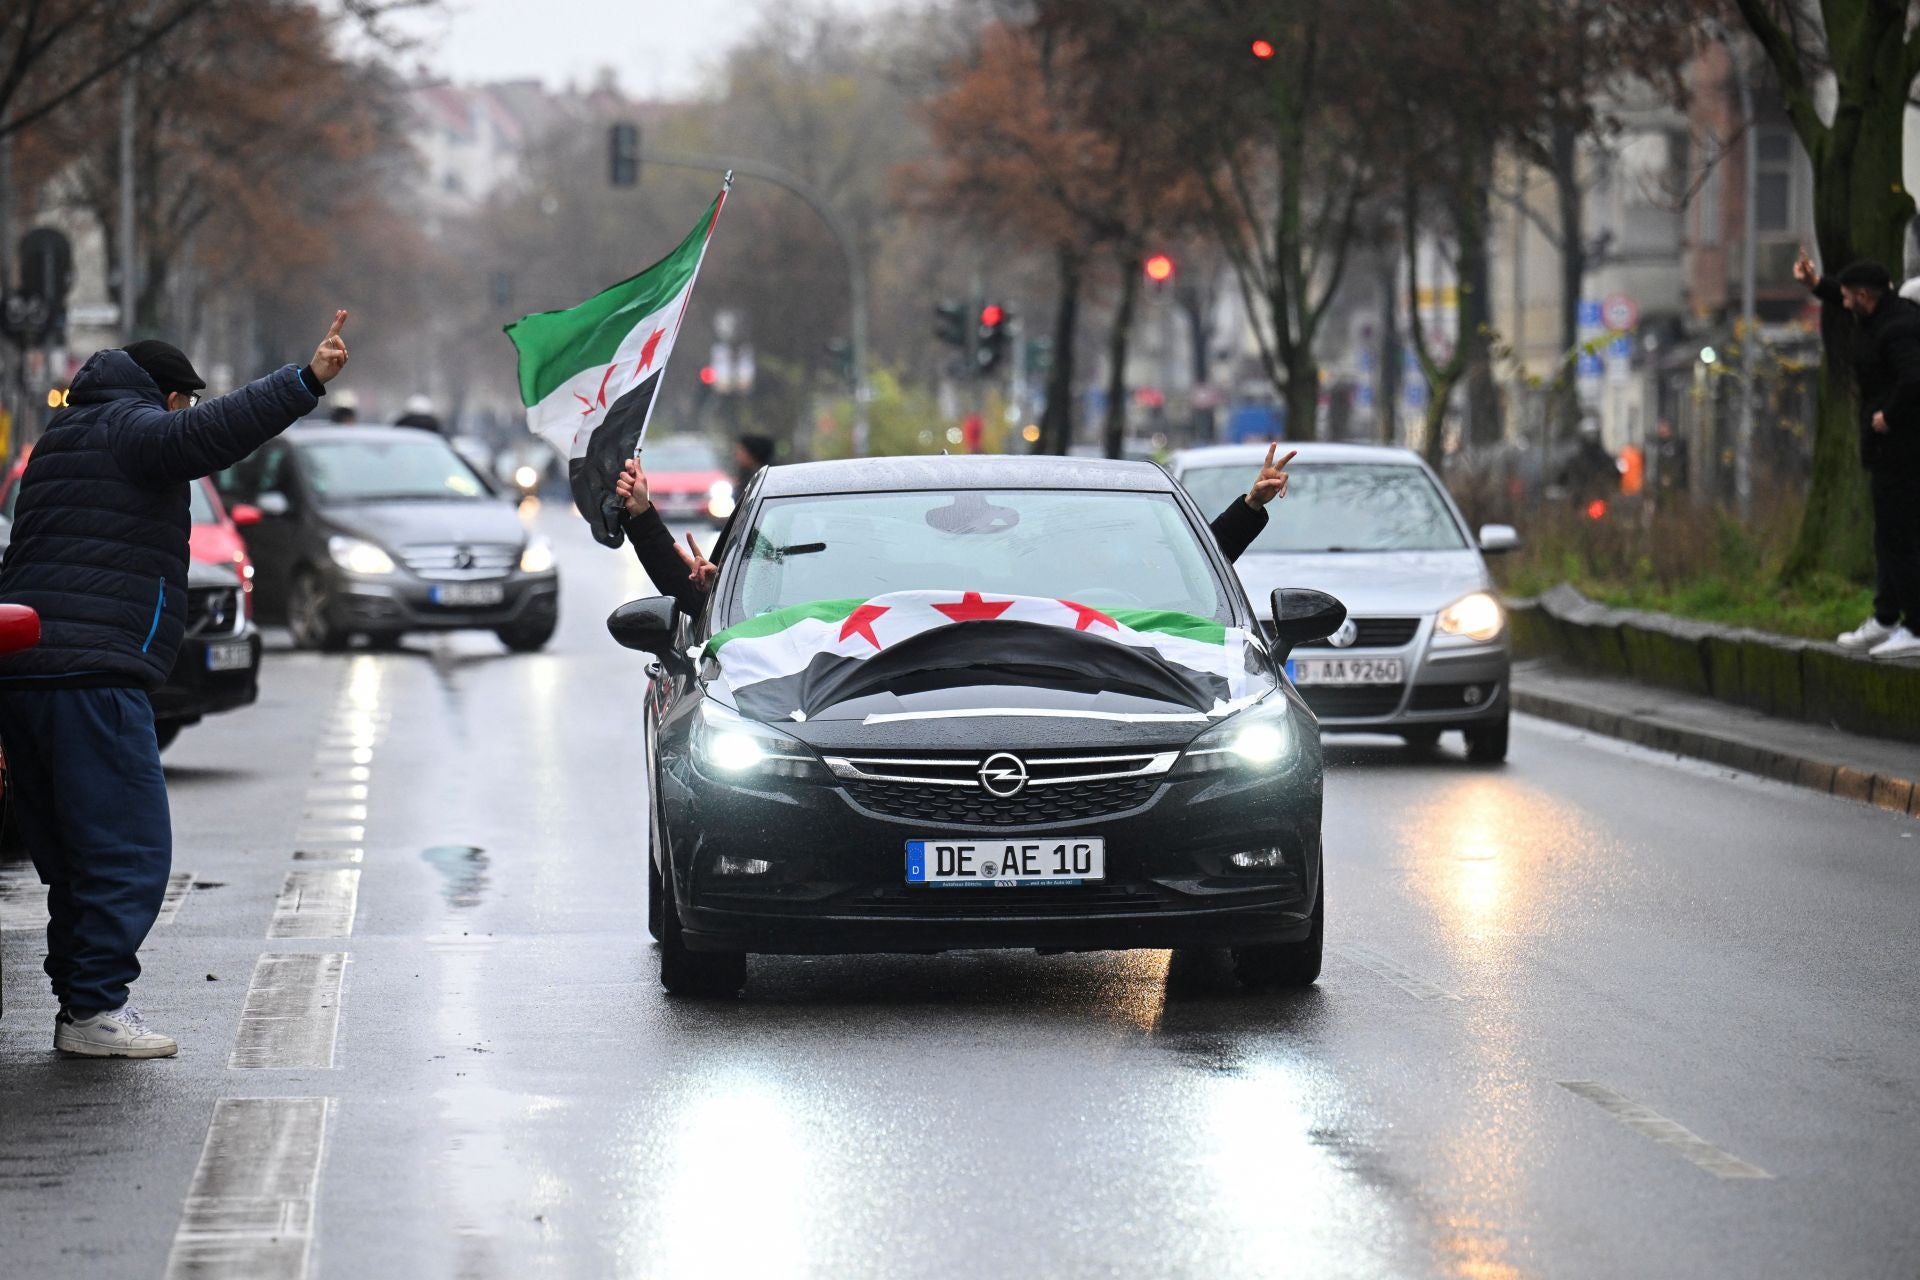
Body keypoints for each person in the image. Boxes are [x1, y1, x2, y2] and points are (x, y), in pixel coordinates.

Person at [0, 313, 350, 1058]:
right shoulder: (131, 427)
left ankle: (80, 1008)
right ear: (166, 398)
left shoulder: (60, 436)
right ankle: (93, 1010)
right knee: (128, 851)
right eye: (183, 404)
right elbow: (209, 436)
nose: (186, 415)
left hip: (28, 670)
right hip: (92, 676)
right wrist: (304, 381)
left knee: (71, 856)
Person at [611, 444, 1294, 615]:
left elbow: (1185, 582)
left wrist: (1247, 509)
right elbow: (695, 609)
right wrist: (644, 520)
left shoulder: (1102, 607)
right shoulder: (781, 628)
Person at [1794, 250, 1920, 659]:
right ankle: (1886, 617)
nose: (1843, 303)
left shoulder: (1897, 329)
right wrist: (1816, 284)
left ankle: (1916, 626)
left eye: (1849, 298)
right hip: (1887, 450)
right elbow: (1839, 294)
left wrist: (1889, 414)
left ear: (1865, 297)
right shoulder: (1882, 309)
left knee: (1900, 536)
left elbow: (1914, 378)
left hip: (1903, 449)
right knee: (1886, 535)